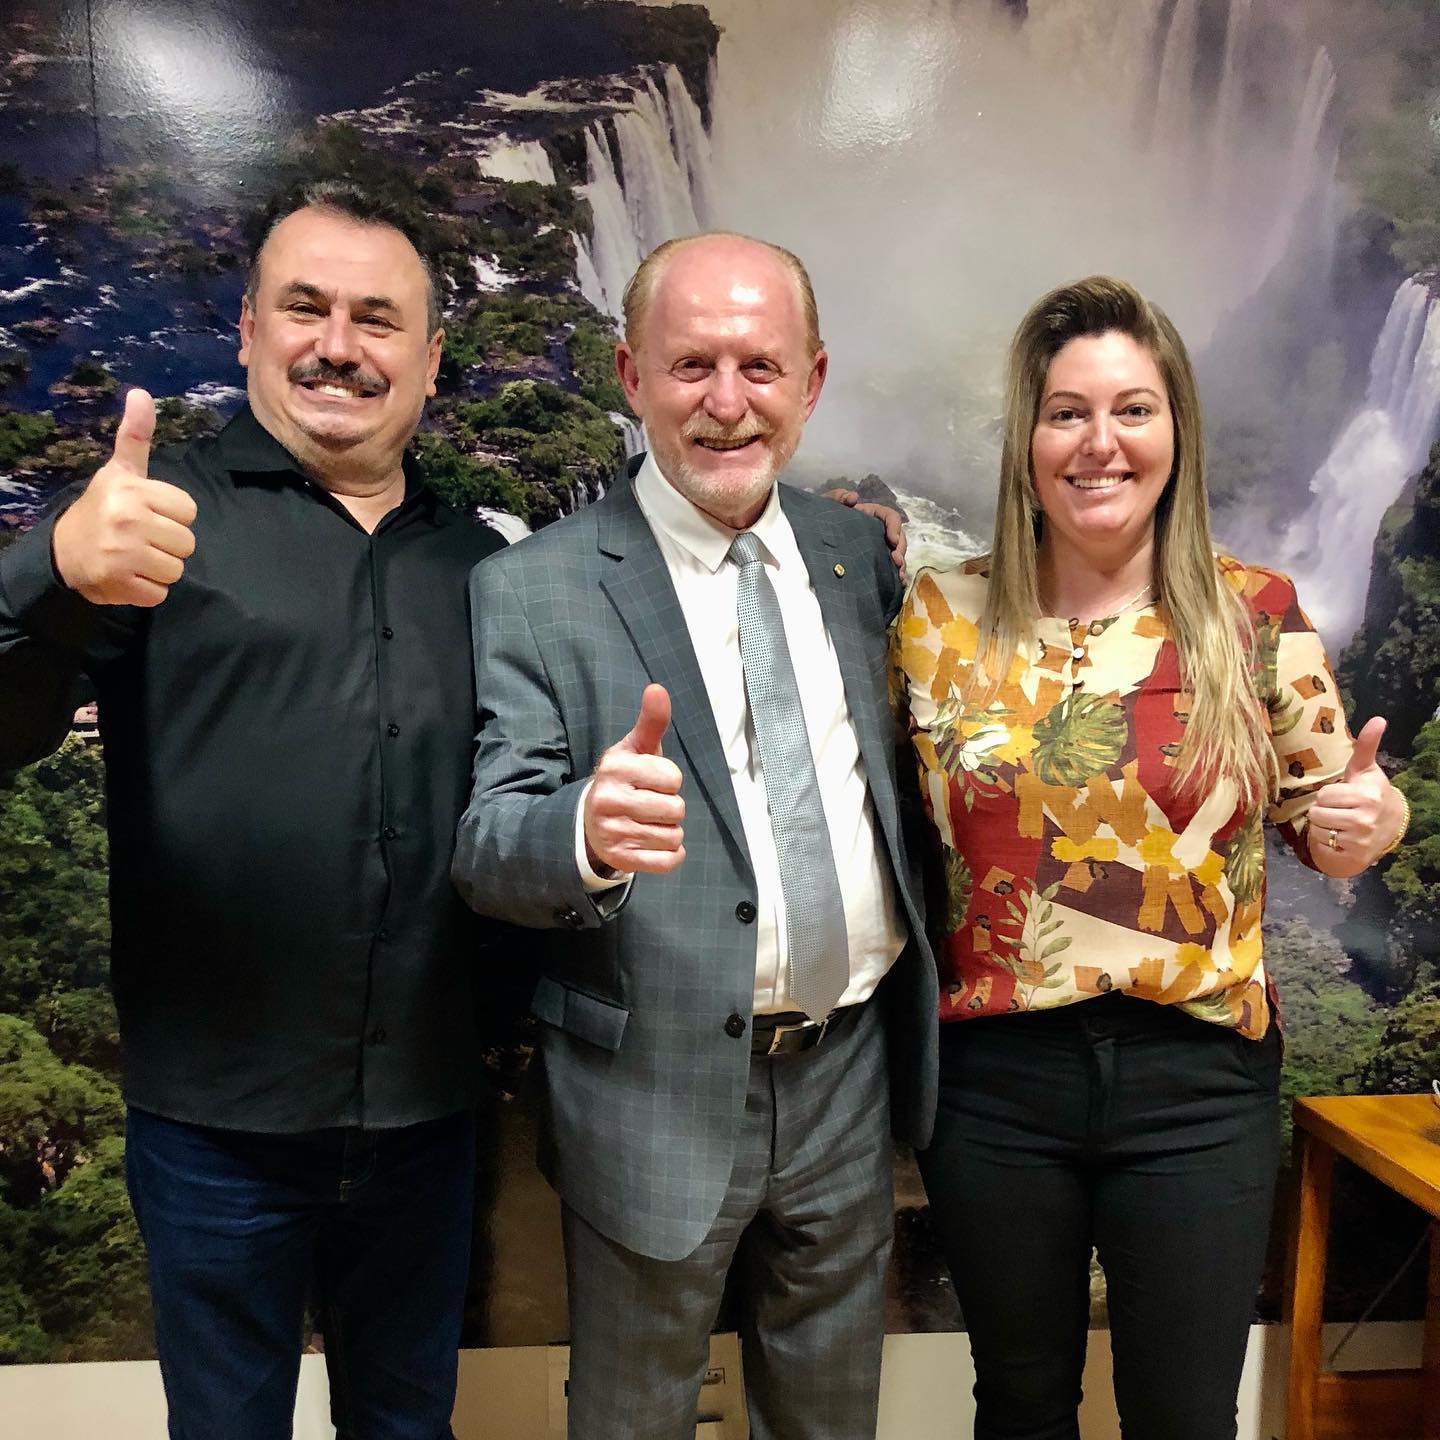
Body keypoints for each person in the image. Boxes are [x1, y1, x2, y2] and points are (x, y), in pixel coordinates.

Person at [0, 180, 506, 1440]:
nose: (339, 344)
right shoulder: (151, 521)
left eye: (377, 319)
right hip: (215, 1129)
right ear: (246, 329)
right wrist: (49, 570)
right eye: (304, 307)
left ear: (429, 356)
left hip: (430, 1117)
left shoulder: (481, 565)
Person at [891, 275, 1409, 1440]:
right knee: (1020, 1405)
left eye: (1133, 409)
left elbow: (1333, 813)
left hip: (1197, 1081)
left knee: (1184, 1416)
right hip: (994, 1083)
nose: (1100, 442)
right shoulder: (937, 618)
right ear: (1027, 439)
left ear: (1178, 429)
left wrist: (1369, 824)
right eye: (1066, 412)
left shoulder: (1253, 611)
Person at [451, 231, 939, 1440]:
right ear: (631, 376)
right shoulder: (533, 588)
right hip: (649, 1089)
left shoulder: (854, 558)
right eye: (691, 366)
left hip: (846, 1074)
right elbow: (487, 844)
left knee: (831, 1418)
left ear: (811, 382)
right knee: (633, 1418)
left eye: (760, 367)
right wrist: (582, 831)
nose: (728, 402)